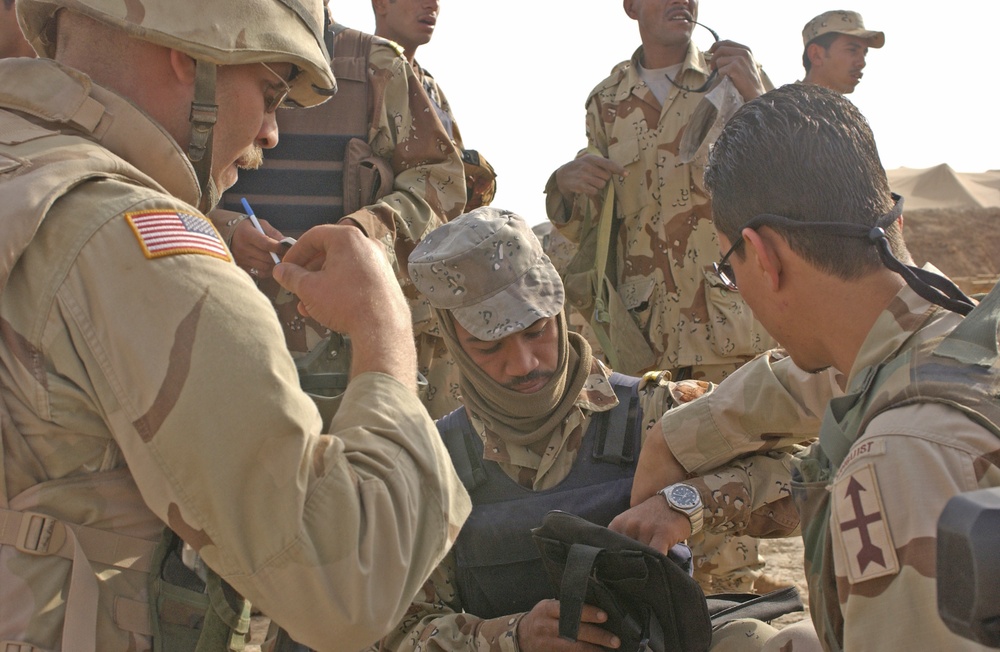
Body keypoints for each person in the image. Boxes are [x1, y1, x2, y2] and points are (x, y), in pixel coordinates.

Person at [0, 0, 470, 650]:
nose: (273, 133)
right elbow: (355, 578)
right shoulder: (138, 250)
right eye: (271, 92)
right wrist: (382, 329)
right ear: (191, 56)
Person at [610, 83, 1000, 651]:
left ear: (762, 256)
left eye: (727, 268)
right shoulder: (962, 337)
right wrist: (675, 440)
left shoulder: (902, 462)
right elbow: (819, 380)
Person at [372, 207, 794, 652]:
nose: (524, 364)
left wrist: (688, 503)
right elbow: (395, 629)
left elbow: (809, 477)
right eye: (489, 346)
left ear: (556, 310)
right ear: (452, 339)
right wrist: (508, 638)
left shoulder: (653, 413)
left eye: (536, 331)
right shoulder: (433, 463)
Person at [545, 0, 774, 593]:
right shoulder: (607, 100)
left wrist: (759, 97)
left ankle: (733, 612)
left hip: (723, 321)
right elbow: (598, 225)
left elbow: (788, 165)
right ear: (631, 7)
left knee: (727, 491)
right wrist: (565, 188)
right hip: (644, 337)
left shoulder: (734, 77)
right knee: (651, 494)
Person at [216, 8, 467, 419]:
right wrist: (227, 228)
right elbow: (152, 176)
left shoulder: (377, 65)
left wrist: (359, 235)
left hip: (356, 350)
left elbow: (442, 187)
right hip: (235, 332)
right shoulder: (213, 45)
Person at [372, 0, 497, 211]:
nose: (432, 5)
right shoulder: (358, 76)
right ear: (382, 4)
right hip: (369, 229)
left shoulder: (430, 89)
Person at [801, 10, 884, 94]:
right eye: (852, 50)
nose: (862, 63)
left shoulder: (833, 105)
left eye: (864, 53)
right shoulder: (790, 105)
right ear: (816, 55)